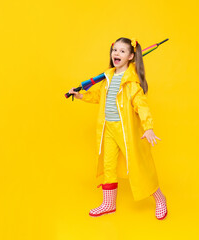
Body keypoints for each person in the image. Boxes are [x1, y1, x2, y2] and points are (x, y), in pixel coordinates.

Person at [68, 37, 167, 220]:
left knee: (139, 167)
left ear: (131, 56)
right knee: (109, 165)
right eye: (115, 50)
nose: (117, 54)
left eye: (122, 51)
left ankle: (160, 199)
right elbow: (99, 96)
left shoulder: (132, 83)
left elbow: (142, 106)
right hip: (109, 129)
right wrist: (81, 96)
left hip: (125, 131)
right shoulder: (107, 78)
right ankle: (108, 203)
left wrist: (149, 127)